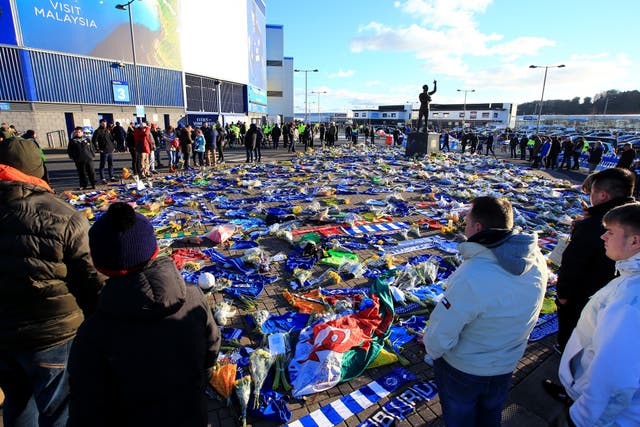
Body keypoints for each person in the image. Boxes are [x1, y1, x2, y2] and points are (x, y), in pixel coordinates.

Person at [67, 202, 220, 427]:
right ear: (155, 249)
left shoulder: (94, 333)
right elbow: (211, 348)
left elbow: (87, 405)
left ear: (99, 265)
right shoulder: (194, 297)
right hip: (191, 411)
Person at [0, 137, 103, 426]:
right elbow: (90, 277)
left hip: (3, 336)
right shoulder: (62, 216)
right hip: (51, 334)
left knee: (18, 401)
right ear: (37, 169)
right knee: (59, 408)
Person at [424, 196, 547, 426]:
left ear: (477, 227)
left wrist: (432, 351)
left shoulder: (473, 274)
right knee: (491, 414)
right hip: (507, 362)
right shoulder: (536, 258)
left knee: (459, 417)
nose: (465, 226)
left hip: (465, 368)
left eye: (467, 221)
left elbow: (442, 331)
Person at [555, 202, 640, 426]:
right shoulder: (629, 280)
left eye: (611, 232)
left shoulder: (630, 301)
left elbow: (615, 381)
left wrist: (577, 420)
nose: (603, 237)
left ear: (635, 241)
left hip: (607, 418)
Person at [553, 167, 636, 353]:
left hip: (585, 297)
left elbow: (572, 265)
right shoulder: (633, 217)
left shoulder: (594, 226)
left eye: (592, 193)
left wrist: (563, 297)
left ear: (603, 195)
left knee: (576, 341)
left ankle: (568, 371)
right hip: (612, 298)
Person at [93, 119, 117, 183]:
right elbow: (94, 141)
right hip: (103, 151)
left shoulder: (107, 130)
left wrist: (113, 147)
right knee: (102, 165)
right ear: (100, 123)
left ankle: (112, 177)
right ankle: (103, 178)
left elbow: (111, 139)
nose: (104, 125)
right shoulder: (97, 131)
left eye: (105, 123)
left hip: (110, 150)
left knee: (111, 164)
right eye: (103, 123)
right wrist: (98, 149)